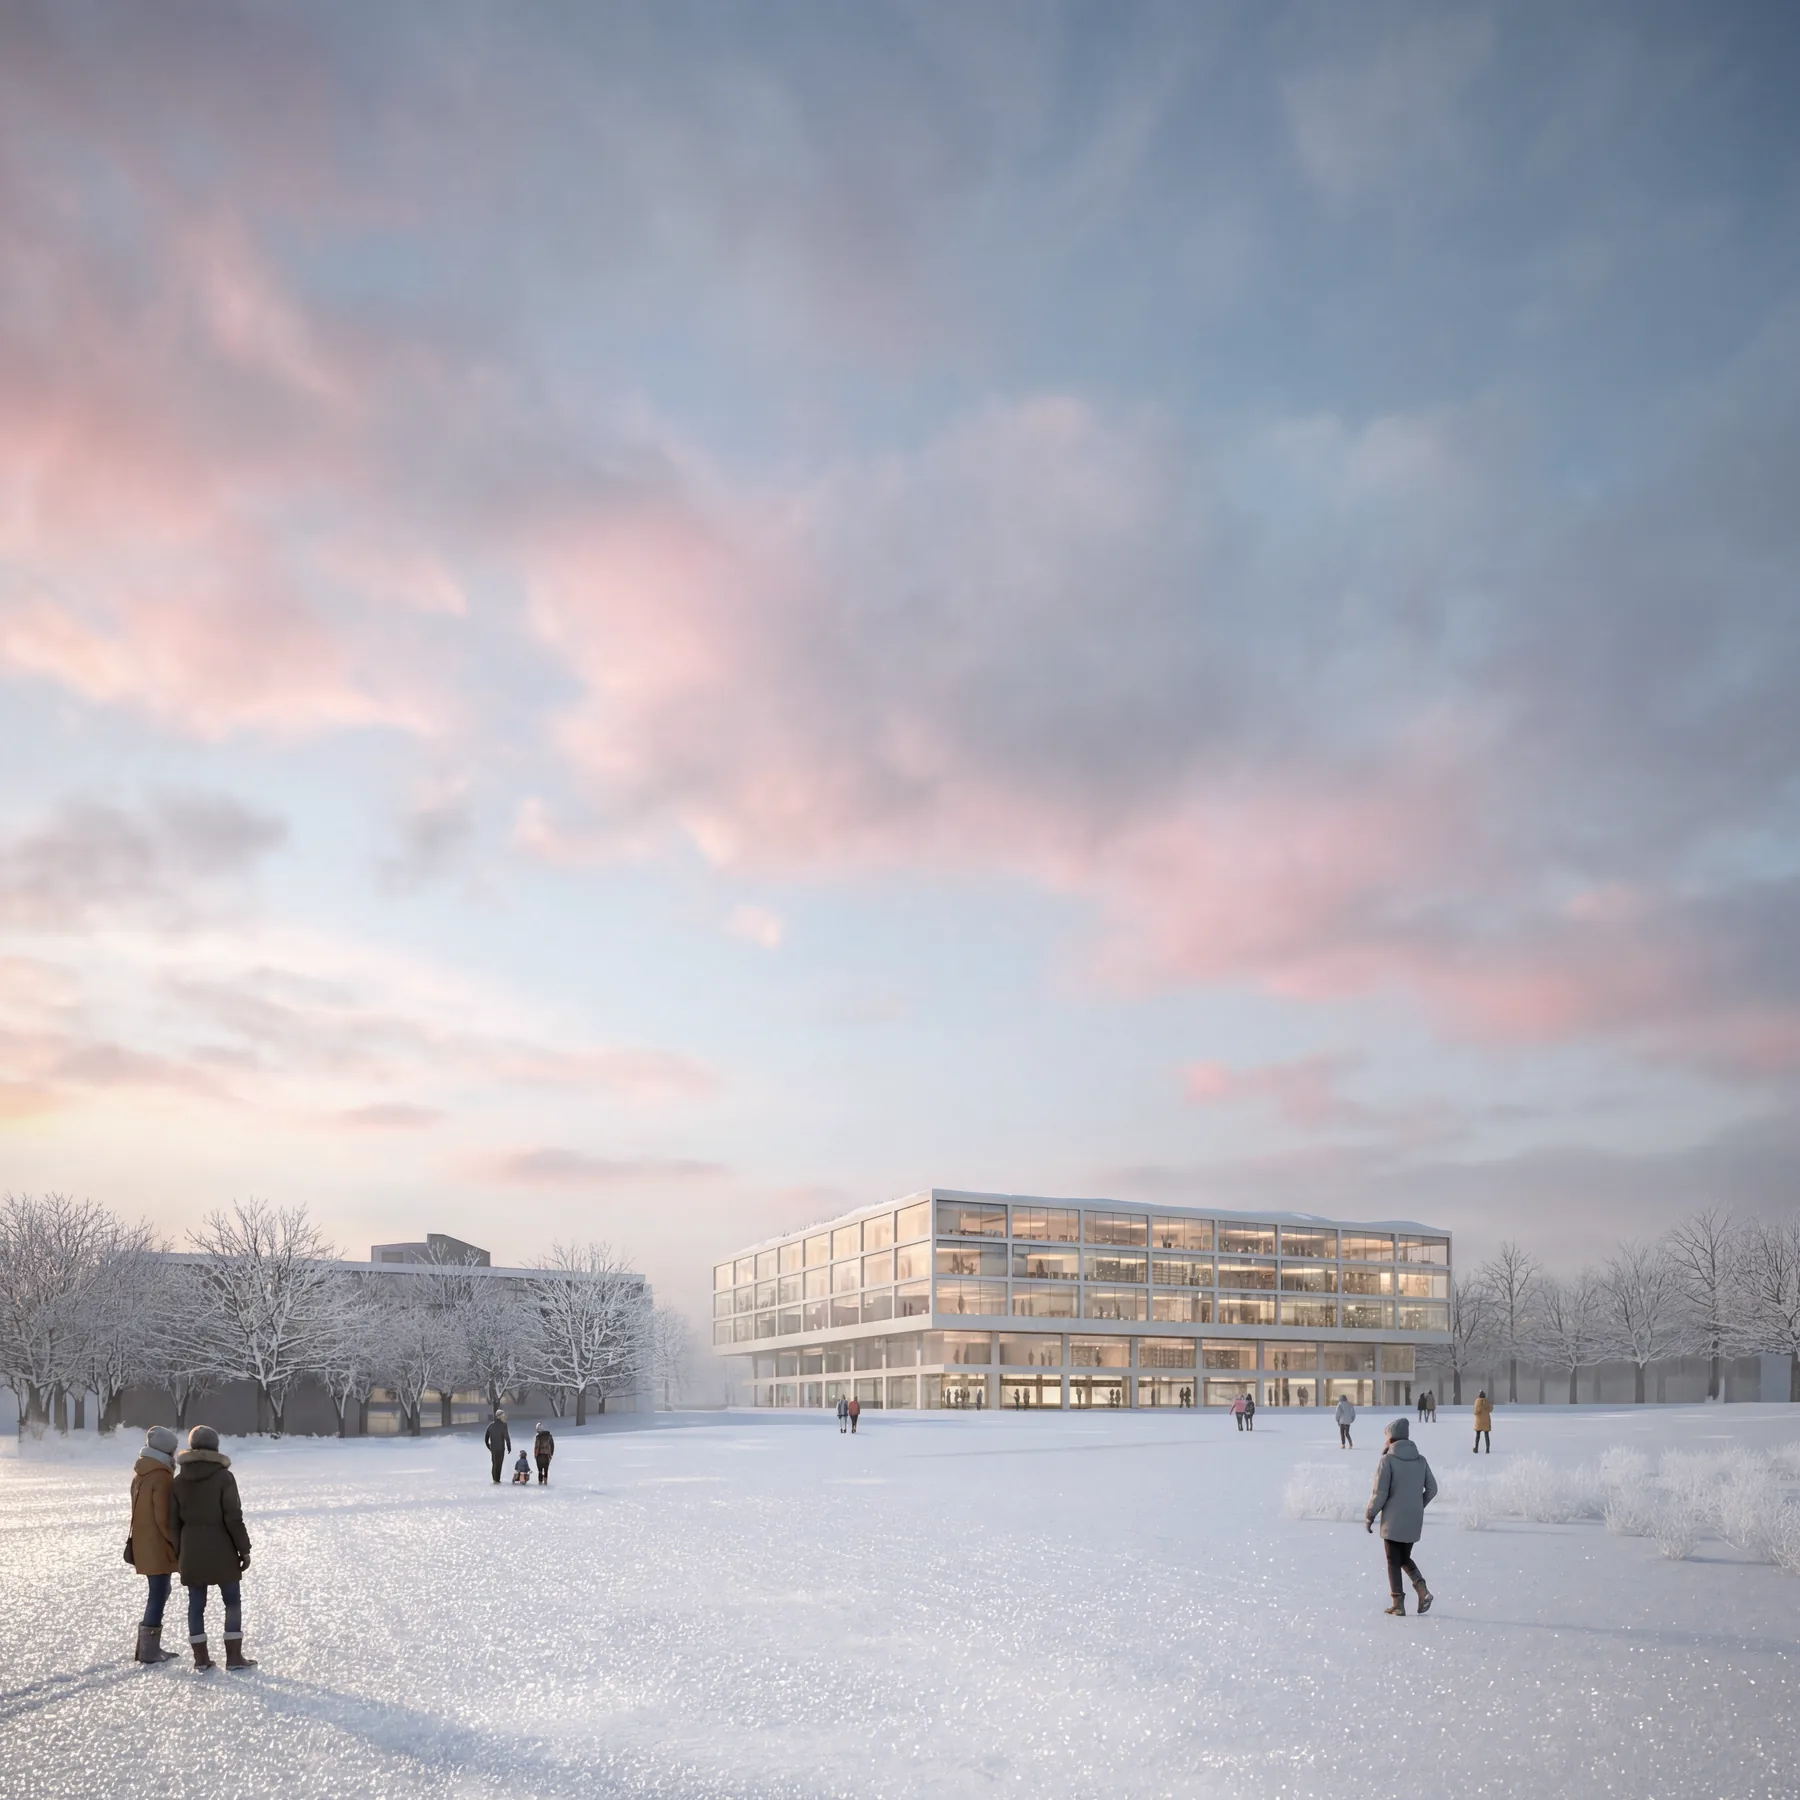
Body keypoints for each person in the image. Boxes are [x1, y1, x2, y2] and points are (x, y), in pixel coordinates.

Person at [168, 1424, 254, 1669]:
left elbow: (172, 1522)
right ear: (215, 1447)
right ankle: (235, 1657)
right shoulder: (224, 1477)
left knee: (196, 1604)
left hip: (191, 1548)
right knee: (232, 1602)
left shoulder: (178, 1481)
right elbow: (233, 1517)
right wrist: (244, 1549)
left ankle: (201, 1659)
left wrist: (179, 1551)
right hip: (223, 1548)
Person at [1365, 1416, 1437, 1616]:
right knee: (1403, 1556)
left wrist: (1370, 1515)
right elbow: (1432, 1489)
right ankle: (1421, 1589)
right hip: (1414, 1518)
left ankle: (1398, 1603)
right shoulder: (1421, 1460)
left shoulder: (1387, 1460)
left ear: (1391, 1439)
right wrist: (1417, 1505)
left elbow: (1380, 1493)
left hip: (1393, 1520)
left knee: (1392, 1559)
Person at [127, 1424, 181, 1663]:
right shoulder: (162, 1476)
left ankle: (146, 1648)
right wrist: (177, 1543)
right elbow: (164, 1518)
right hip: (158, 1544)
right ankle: (149, 1651)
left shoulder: (141, 1472)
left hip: (142, 1542)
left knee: (158, 1591)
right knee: (159, 1593)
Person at [485, 1409, 511, 1484]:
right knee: (499, 1464)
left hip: (493, 1448)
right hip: (500, 1448)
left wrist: (489, 1447)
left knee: (494, 1463)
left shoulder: (490, 1426)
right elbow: (507, 1437)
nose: (504, 1418)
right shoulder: (504, 1425)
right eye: (503, 1416)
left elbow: (486, 1438)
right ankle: (497, 1479)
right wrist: (509, 1446)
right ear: (499, 1417)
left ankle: (495, 1479)